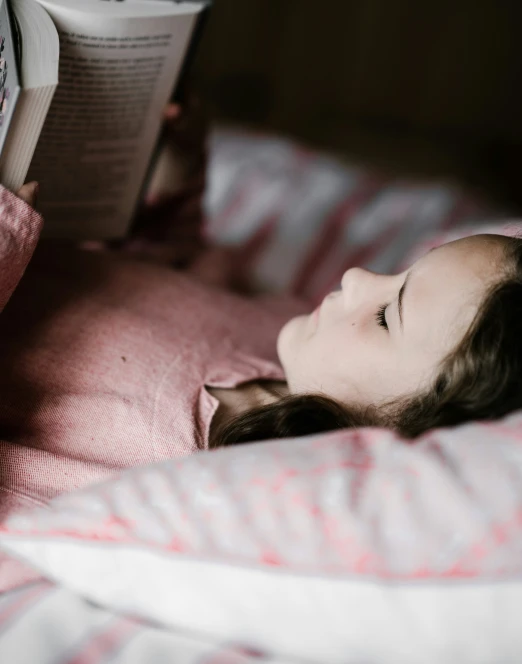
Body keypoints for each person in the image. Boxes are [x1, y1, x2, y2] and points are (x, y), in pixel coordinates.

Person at [1, 96, 521, 522]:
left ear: (404, 437)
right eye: (403, 272)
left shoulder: (174, 485)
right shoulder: (294, 341)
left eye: (387, 316)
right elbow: (156, 276)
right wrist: (165, 189)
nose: (358, 277)